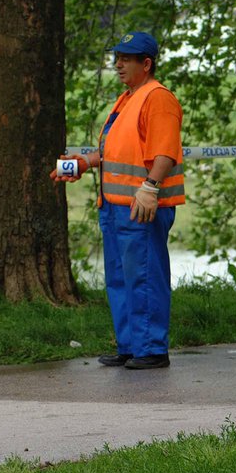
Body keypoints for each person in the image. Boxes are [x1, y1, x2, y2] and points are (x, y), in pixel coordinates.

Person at [51, 31, 185, 370]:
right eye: (117, 57)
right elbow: (115, 150)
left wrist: (151, 186)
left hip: (141, 207)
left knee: (144, 277)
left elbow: (165, 151)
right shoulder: (128, 98)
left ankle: (152, 349)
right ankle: (131, 346)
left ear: (146, 63)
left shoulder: (157, 98)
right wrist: (83, 163)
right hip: (115, 207)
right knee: (121, 279)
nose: (118, 64)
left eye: (125, 58)